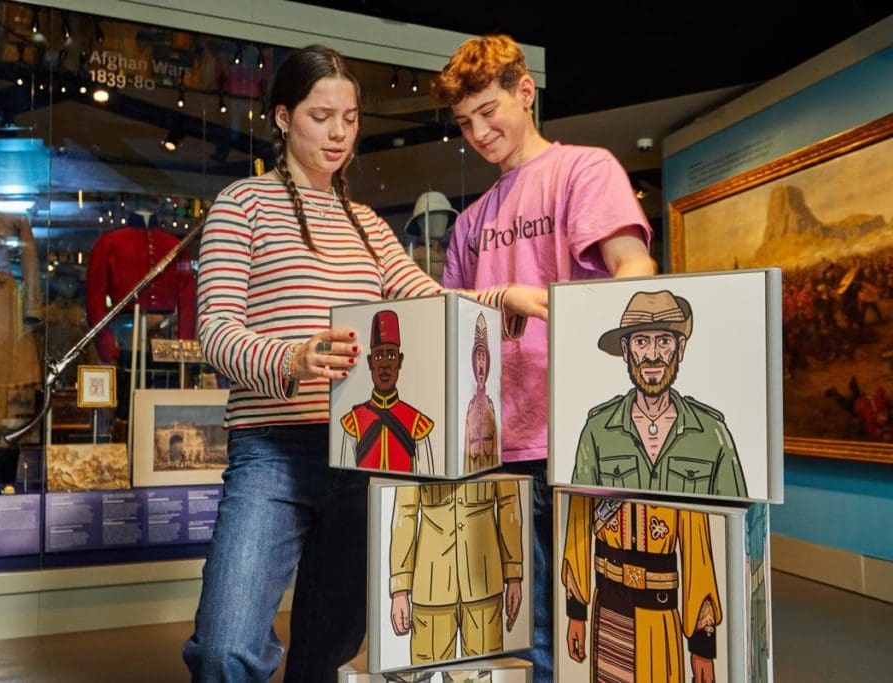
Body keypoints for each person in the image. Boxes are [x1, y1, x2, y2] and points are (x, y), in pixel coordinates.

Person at [182, 44, 548, 682]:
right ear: (281, 117)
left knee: (327, 650)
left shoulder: (368, 227)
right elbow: (214, 332)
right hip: (271, 450)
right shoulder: (240, 206)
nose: (338, 134)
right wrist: (292, 357)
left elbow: (430, 298)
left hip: (360, 454)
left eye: (349, 119)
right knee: (225, 646)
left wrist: (501, 297)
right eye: (321, 116)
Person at [432, 34, 658, 681]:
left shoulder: (584, 170)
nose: (477, 132)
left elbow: (634, 269)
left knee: (602, 621)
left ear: (524, 93)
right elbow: (447, 314)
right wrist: (502, 294)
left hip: (585, 438)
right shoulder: (471, 220)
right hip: (501, 444)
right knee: (533, 633)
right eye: (465, 121)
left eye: (488, 111)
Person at [573, 290, 748, 497]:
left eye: (664, 341)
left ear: (680, 349)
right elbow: (580, 516)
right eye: (641, 342)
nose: (653, 355)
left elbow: (734, 520)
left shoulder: (713, 432)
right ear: (626, 350)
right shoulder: (597, 430)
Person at [561, 496, 722, 683]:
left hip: (657, 616)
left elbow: (697, 548)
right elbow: (578, 511)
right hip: (608, 612)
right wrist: (576, 611)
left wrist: (702, 646)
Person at [390, 479, 523, 664]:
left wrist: (513, 573)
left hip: (484, 584)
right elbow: (405, 511)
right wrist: (400, 588)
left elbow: (509, 503)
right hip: (431, 586)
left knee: (483, 674)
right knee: (425, 675)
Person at [339, 309, 435, 474]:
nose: (384, 364)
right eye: (378, 356)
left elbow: (427, 483)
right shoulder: (353, 422)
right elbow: (346, 478)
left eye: (391, 356)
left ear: (400, 360)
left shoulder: (417, 424)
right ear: (369, 362)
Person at [463, 312, 497, 473]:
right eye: (478, 356)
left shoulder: (491, 406)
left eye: (484, 356)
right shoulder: (469, 408)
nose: (481, 361)